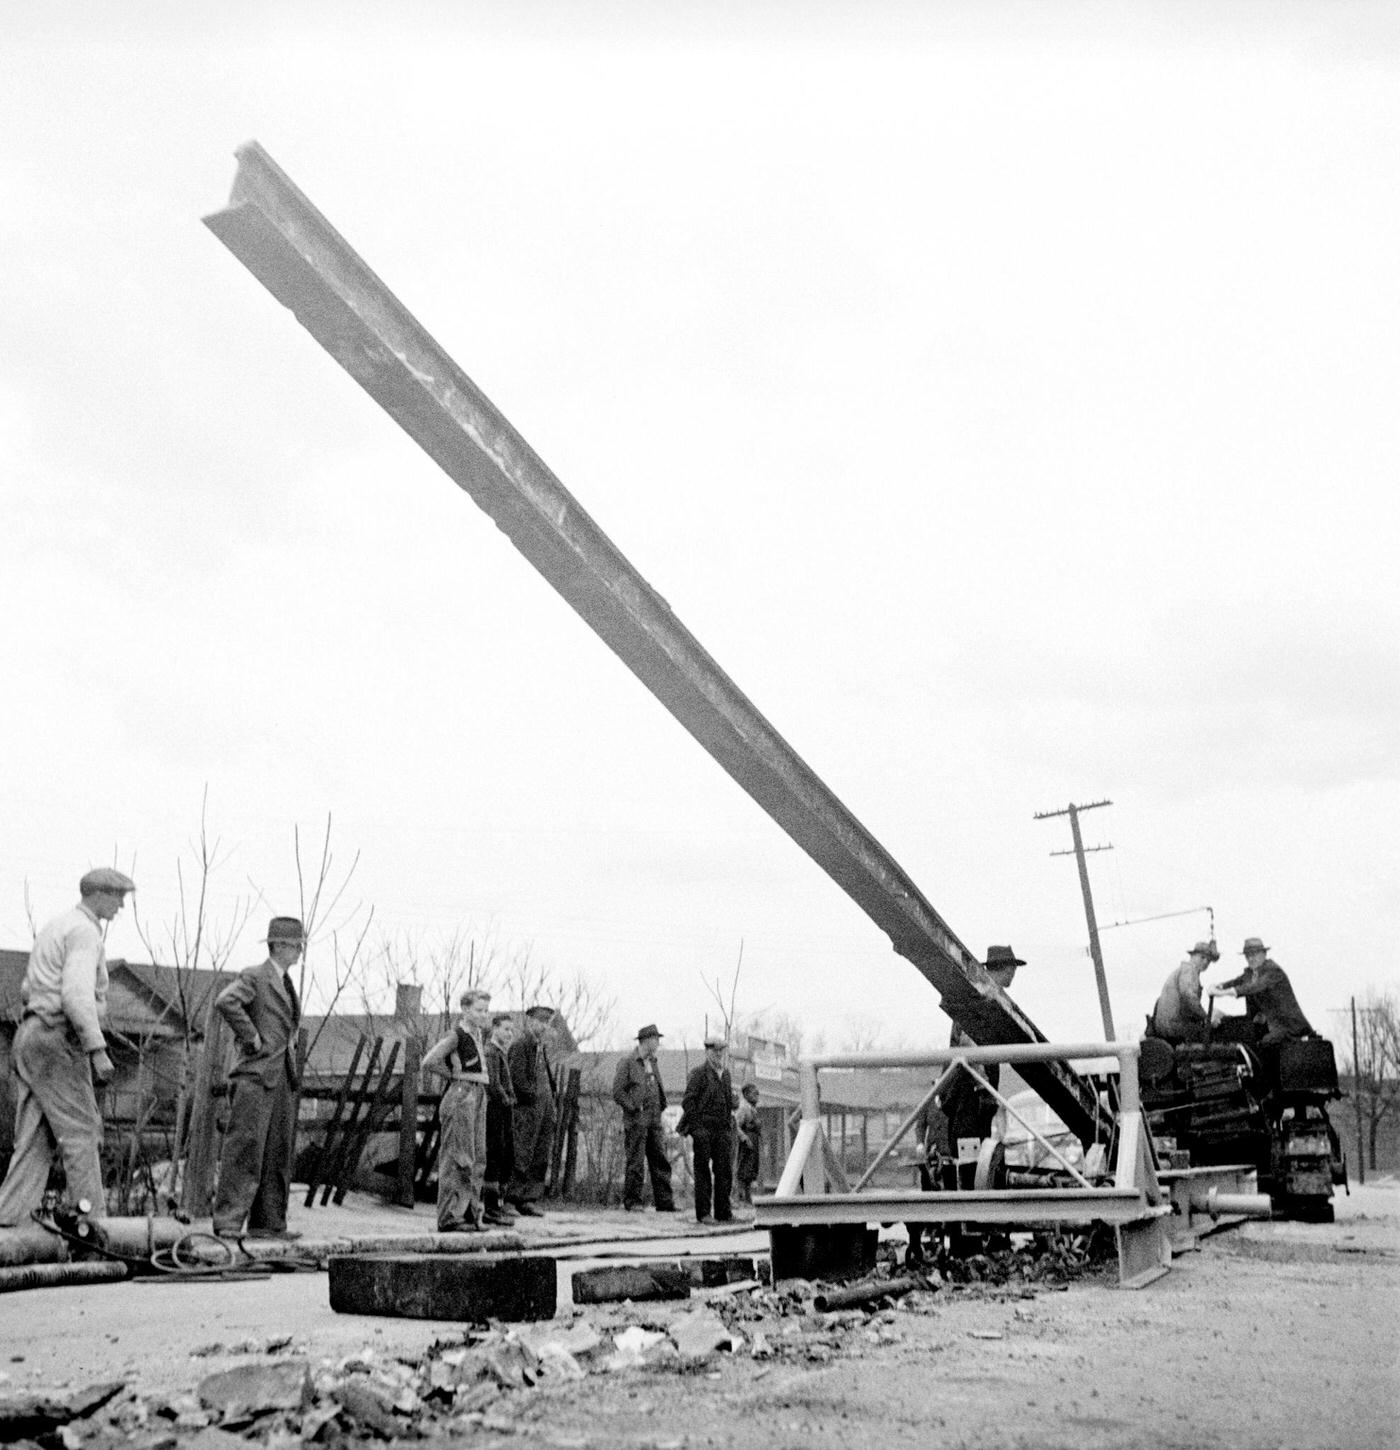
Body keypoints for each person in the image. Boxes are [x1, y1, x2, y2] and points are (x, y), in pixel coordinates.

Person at [0, 867, 133, 1227]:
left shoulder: (57, 926)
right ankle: (93, 1226)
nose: (120, 906)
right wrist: (96, 1047)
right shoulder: (84, 932)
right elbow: (76, 995)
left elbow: (29, 989)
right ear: (98, 894)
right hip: (58, 1036)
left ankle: (8, 1221)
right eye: (117, 897)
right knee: (82, 1132)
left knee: (35, 1137)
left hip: (30, 1035)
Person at [212, 916, 306, 1241]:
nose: (299, 953)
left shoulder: (286, 983)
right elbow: (226, 1001)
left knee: (277, 1151)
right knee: (246, 1149)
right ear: (278, 945)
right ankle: (227, 1223)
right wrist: (251, 1038)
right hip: (255, 1076)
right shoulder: (255, 976)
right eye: (296, 946)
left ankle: (268, 1224)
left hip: (280, 1077)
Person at [938, 945, 1024, 1159]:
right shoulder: (980, 999)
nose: (1013, 973)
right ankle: (967, 1189)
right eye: (1010, 968)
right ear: (1000, 968)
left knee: (974, 1145)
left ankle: (968, 1186)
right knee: (969, 1147)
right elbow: (970, 1046)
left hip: (972, 1086)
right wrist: (982, 1086)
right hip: (969, 1088)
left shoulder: (989, 997)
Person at [421, 989, 493, 1232]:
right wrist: (453, 1076)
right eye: (478, 1010)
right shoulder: (457, 1035)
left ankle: (471, 1214)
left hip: (479, 1093)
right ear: (465, 1009)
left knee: (478, 1158)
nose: (484, 1015)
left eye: (486, 1010)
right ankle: (450, 1217)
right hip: (462, 1095)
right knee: (458, 1157)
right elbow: (429, 1061)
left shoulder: (479, 1035)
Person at [612, 1023, 677, 1213]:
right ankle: (633, 1202)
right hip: (636, 1120)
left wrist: (661, 1106)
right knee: (636, 1161)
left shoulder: (653, 1062)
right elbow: (617, 1092)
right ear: (646, 1041)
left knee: (660, 1160)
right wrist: (633, 1108)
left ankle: (665, 1203)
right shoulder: (628, 1062)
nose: (658, 1044)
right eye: (656, 1040)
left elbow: (657, 1086)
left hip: (654, 1118)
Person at [1213, 938, 1316, 1046]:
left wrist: (1222, 993)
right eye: (1247, 956)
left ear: (1264, 954)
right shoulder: (1251, 973)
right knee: (1240, 1032)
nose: (1251, 959)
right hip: (1270, 1026)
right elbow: (1237, 981)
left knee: (1265, 1043)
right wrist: (1219, 986)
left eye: (1254, 955)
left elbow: (1253, 987)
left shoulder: (1273, 971)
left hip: (1289, 1027)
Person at [678, 1034, 735, 1224]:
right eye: (715, 1050)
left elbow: (728, 1103)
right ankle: (703, 1214)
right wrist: (697, 1128)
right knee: (702, 1172)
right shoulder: (699, 1073)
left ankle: (723, 1213)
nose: (719, 1054)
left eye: (721, 1050)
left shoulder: (725, 1074)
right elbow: (688, 1101)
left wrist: (728, 1127)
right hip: (704, 1129)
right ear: (708, 1052)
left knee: (724, 1171)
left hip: (721, 1131)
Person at [507, 1005, 558, 1216]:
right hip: (526, 1109)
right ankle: (511, 1199)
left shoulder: (540, 1047)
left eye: (546, 1022)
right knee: (521, 1153)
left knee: (540, 1154)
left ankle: (529, 1199)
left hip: (543, 1109)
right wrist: (531, 1098)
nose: (543, 1026)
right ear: (530, 1022)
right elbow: (516, 1078)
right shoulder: (521, 1045)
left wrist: (550, 1105)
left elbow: (546, 1079)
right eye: (539, 1021)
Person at [482, 1012, 517, 1225]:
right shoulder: (491, 1052)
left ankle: (497, 1205)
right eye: (505, 1029)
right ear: (495, 1028)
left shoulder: (501, 1052)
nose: (509, 1033)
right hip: (494, 1110)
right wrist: (507, 1100)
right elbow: (493, 1084)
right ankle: (491, 1208)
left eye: (511, 1030)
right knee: (494, 1156)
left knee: (504, 1155)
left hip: (502, 1110)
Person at [1150, 940, 1220, 1044]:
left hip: (1166, 1025)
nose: (1205, 962)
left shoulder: (1182, 970)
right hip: (1174, 1026)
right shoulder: (1189, 970)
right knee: (1214, 1034)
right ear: (1193, 956)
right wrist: (1206, 1017)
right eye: (1202, 957)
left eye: (1208, 960)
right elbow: (1188, 995)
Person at [734, 1082, 762, 1205]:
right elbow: (735, 1125)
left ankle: (747, 1196)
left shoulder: (752, 1108)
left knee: (751, 1169)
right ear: (746, 1094)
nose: (757, 1095)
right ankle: (741, 1197)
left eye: (757, 1093)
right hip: (746, 1143)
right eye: (753, 1093)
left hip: (753, 1142)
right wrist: (744, 1138)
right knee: (744, 1169)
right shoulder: (743, 1108)